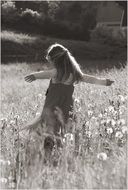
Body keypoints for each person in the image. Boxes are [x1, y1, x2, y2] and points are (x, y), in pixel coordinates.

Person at [24, 43, 114, 160]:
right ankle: (60, 152)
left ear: (55, 60)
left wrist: (34, 76)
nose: (50, 62)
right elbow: (91, 79)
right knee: (64, 130)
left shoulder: (56, 72)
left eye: (50, 60)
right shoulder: (74, 74)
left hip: (52, 107)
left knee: (48, 130)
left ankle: (47, 154)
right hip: (66, 108)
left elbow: (45, 74)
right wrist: (104, 82)